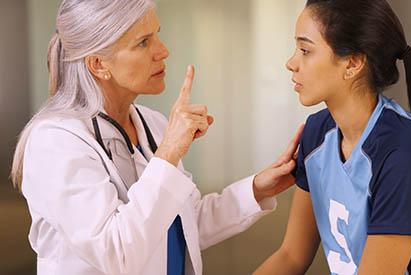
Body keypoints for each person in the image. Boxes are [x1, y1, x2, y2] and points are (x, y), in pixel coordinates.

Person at [10, 1, 302, 274]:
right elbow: (116, 252)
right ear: (99, 64)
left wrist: (256, 190)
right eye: (143, 42)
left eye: (156, 35)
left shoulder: (153, 124)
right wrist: (169, 153)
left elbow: (181, 225)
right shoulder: (54, 142)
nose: (163, 51)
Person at [255, 0, 411, 274]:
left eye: (305, 50)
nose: (291, 63)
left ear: (353, 63)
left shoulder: (401, 152)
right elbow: (291, 256)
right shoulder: (316, 133)